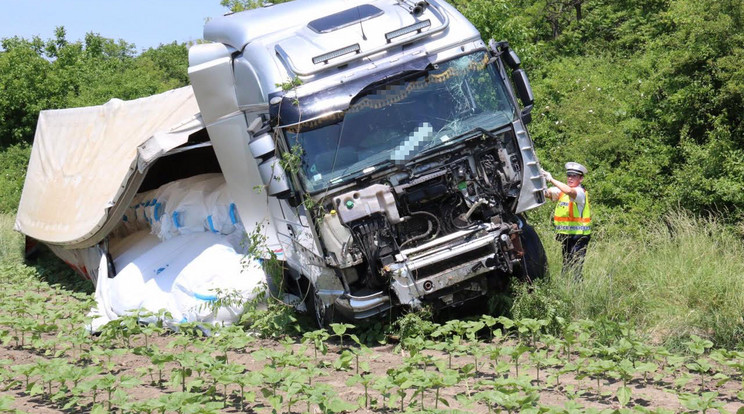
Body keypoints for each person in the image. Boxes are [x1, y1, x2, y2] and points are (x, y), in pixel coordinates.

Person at [542, 162, 592, 279]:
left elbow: (569, 192)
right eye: (569, 175)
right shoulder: (561, 191)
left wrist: (551, 179)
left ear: (581, 178)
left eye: (574, 176)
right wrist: (540, 178)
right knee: (566, 265)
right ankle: (566, 289)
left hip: (579, 236)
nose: (570, 178)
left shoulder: (580, 192)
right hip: (566, 236)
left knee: (576, 268)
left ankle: (576, 291)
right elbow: (546, 193)